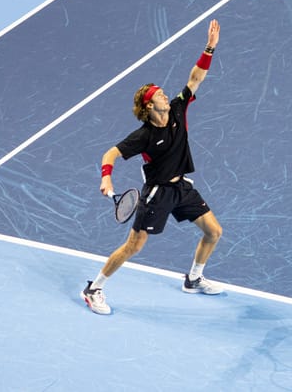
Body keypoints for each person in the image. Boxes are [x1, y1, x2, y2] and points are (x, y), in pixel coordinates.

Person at [81, 19, 224, 315]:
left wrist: (209, 47)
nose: (164, 94)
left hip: (181, 188)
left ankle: (193, 279)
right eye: (158, 94)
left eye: (162, 92)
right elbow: (111, 153)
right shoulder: (144, 136)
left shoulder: (178, 108)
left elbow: (195, 78)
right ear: (149, 106)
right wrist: (106, 178)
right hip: (157, 195)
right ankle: (93, 288)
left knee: (213, 232)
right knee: (134, 245)